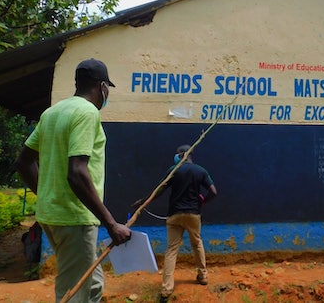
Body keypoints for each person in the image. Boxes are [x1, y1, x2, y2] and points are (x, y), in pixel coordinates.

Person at [15, 58, 131, 303]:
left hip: (51, 216)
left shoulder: (52, 112)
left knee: (93, 284)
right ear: (102, 87)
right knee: (73, 294)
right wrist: (111, 224)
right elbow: (77, 172)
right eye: (107, 88)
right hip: (74, 218)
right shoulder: (87, 113)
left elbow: (23, 162)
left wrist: (46, 193)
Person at [136, 144, 217, 301]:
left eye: (177, 153)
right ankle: (203, 276)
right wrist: (202, 202)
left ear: (182, 154)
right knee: (197, 243)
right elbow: (213, 192)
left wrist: (143, 202)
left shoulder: (173, 170)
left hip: (174, 215)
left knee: (172, 249)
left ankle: (166, 290)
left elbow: (158, 190)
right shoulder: (201, 171)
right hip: (193, 215)